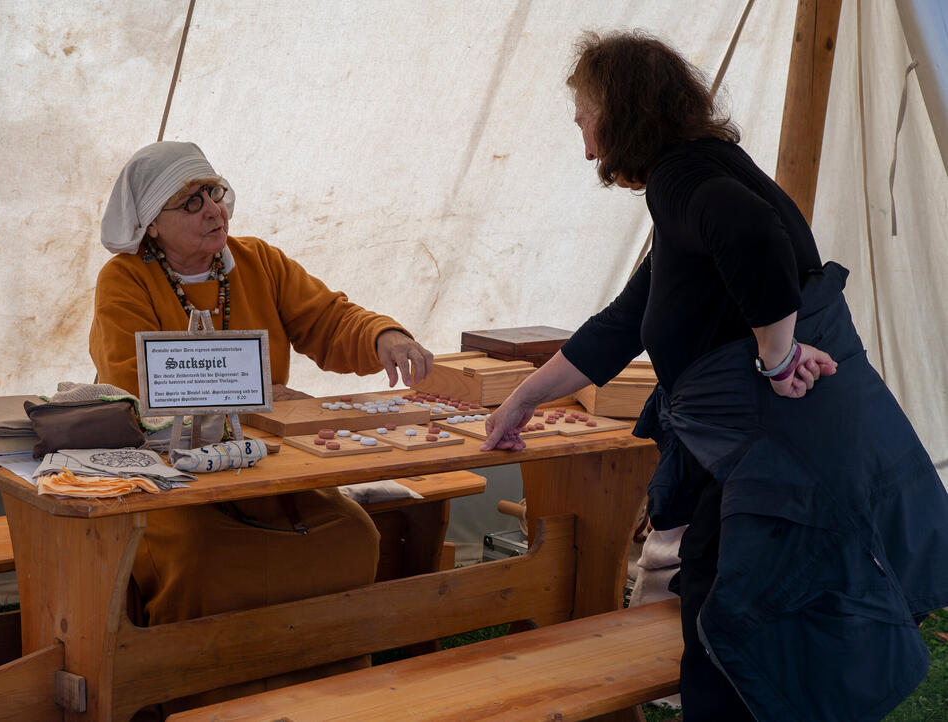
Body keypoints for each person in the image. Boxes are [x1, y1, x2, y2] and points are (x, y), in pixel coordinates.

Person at [482, 31, 948, 722]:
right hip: (762, 464)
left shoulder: (685, 180)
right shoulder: (706, 170)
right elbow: (624, 321)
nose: (586, 146)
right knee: (742, 625)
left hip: (772, 467)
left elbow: (753, 236)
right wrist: (521, 398)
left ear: (621, 109)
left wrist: (778, 354)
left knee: (738, 633)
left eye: (585, 119)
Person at [89, 140, 434, 709]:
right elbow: (134, 385)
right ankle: (202, 702)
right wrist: (255, 400)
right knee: (201, 560)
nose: (213, 209)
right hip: (175, 482)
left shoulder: (258, 262)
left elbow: (327, 317)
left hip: (267, 468)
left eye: (215, 193)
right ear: (151, 226)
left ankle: (329, 697)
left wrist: (382, 335)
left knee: (350, 536)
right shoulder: (124, 280)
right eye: (191, 202)